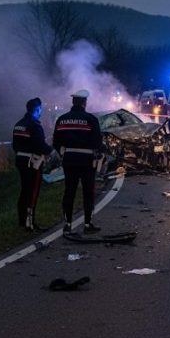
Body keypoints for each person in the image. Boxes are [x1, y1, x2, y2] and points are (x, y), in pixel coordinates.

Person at [53, 90, 105, 234]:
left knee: (69, 191)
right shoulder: (91, 119)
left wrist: (63, 153)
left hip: (69, 160)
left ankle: (67, 224)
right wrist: (102, 151)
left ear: (73, 102)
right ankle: (87, 225)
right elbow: (98, 141)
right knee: (88, 192)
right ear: (84, 103)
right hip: (87, 160)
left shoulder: (62, 119)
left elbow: (56, 142)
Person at [12, 97, 55, 232]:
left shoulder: (19, 124)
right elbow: (40, 146)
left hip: (20, 160)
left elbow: (14, 145)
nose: (41, 111)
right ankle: (30, 224)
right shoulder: (35, 126)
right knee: (32, 193)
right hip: (33, 163)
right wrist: (51, 150)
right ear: (37, 109)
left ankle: (22, 221)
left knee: (24, 191)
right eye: (40, 109)